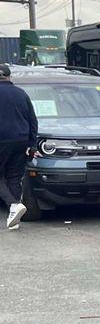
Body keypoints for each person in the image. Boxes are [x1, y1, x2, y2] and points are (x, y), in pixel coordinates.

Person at [0, 63, 38, 229]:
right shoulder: (21, 94)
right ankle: (14, 219)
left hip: (2, 140)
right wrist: (33, 145)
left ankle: (14, 205)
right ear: (9, 77)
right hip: (21, 140)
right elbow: (32, 120)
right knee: (14, 177)